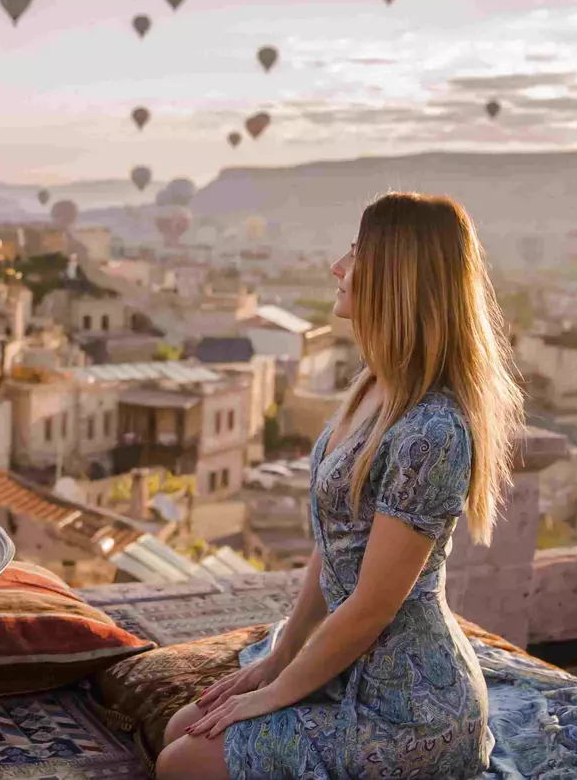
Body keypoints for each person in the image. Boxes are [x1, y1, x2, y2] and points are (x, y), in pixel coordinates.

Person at [156, 193, 524, 779]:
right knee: (177, 732)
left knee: (182, 764)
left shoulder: (433, 430)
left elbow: (373, 605)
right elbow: (332, 550)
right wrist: (277, 660)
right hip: (343, 666)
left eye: (354, 253)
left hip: (410, 708)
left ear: (394, 277)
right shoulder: (373, 385)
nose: (337, 266)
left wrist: (271, 696)